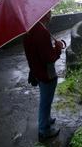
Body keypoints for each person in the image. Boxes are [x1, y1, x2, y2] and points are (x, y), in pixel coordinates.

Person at [23, 10, 64, 139]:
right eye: (49, 12)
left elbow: (36, 53)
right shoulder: (41, 32)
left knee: (46, 98)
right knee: (45, 101)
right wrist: (58, 48)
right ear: (44, 15)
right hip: (46, 73)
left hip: (37, 70)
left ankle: (47, 119)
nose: (51, 14)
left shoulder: (29, 30)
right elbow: (48, 58)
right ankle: (43, 129)